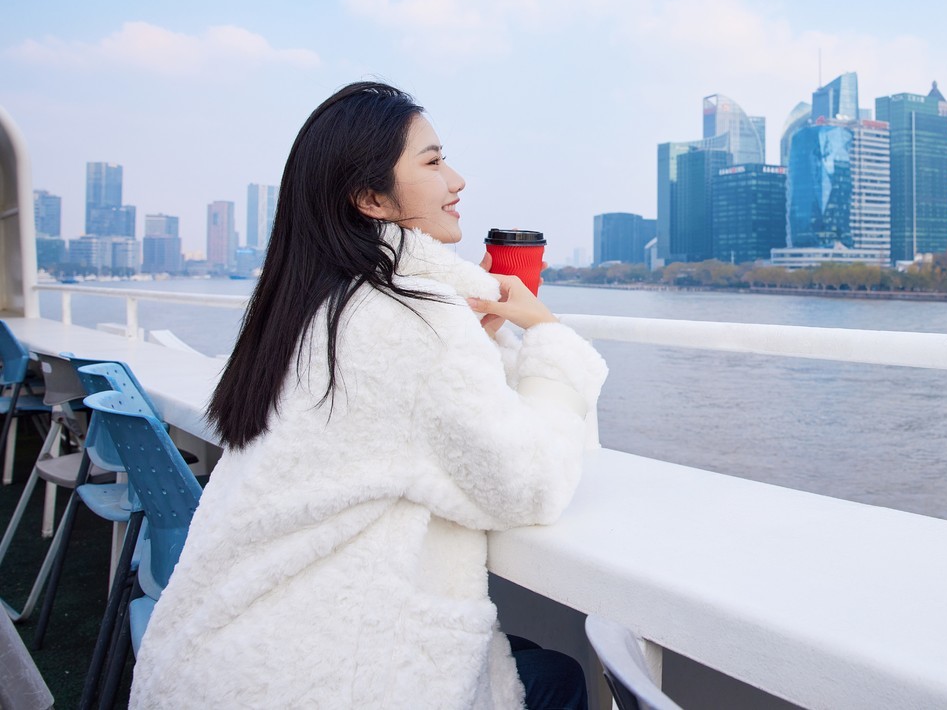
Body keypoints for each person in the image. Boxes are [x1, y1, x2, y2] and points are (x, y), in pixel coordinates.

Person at [130, 83, 606, 709]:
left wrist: (475, 347)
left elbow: (403, 424)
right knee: (559, 681)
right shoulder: (412, 318)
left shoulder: (310, 303)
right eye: (433, 162)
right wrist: (547, 338)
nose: (457, 179)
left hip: (225, 659)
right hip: (325, 680)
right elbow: (530, 485)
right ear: (370, 197)